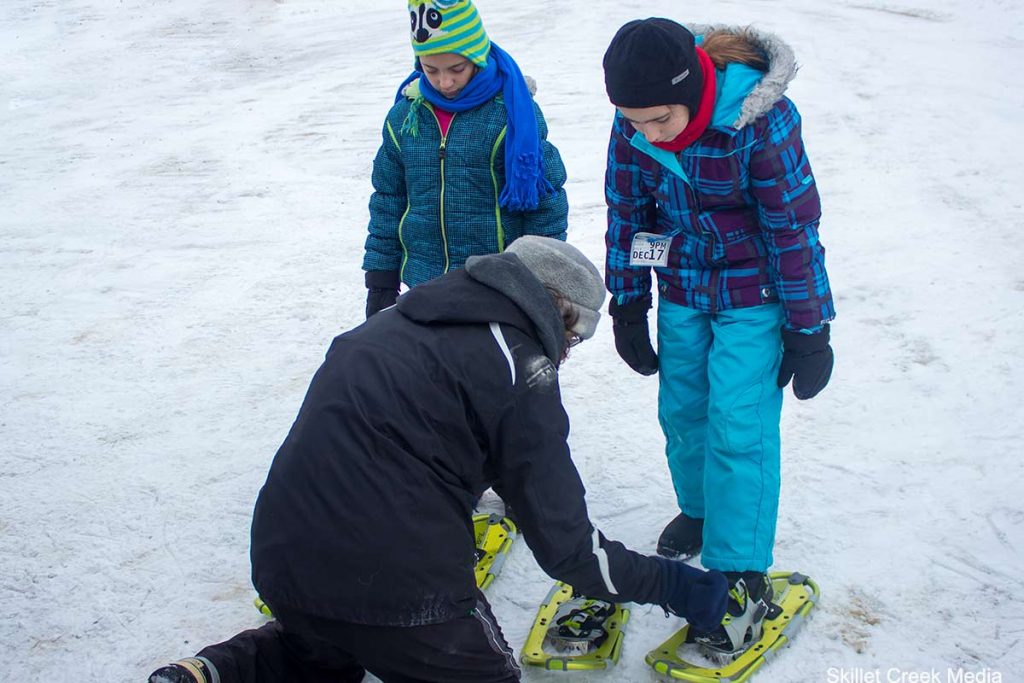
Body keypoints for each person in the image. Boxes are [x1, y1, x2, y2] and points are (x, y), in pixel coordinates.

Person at [148, 237, 729, 683]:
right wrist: (682, 588)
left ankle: (215, 672)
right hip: (398, 589)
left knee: (322, 647)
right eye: (574, 338)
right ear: (558, 312)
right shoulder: (520, 369)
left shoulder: (397, 321)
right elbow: (572, 551)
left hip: (282, 560)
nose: (567, 353)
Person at [601, 19, 836, 655]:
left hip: (755, 295)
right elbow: (628, 214)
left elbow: (793, 228)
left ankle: (738, 561)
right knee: (683, 411)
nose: (646, 133)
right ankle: (701, 508)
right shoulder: (636, 122)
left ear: (692, 90)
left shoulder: (759, 120)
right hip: (683, 288)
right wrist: (627, 302)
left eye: (658, 120)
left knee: (738, 419)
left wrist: (810, 328)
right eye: (634, 121)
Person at [363, 0, 569, 320]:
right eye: (431, 70)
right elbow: (388, 199)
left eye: (456, 69)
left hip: (496, 287)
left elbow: (546, 204)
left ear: (476, 58)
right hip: (423, 284)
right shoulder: (406, 117)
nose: (444, 82)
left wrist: (542, 282)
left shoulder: (511, 114)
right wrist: (381, 279)